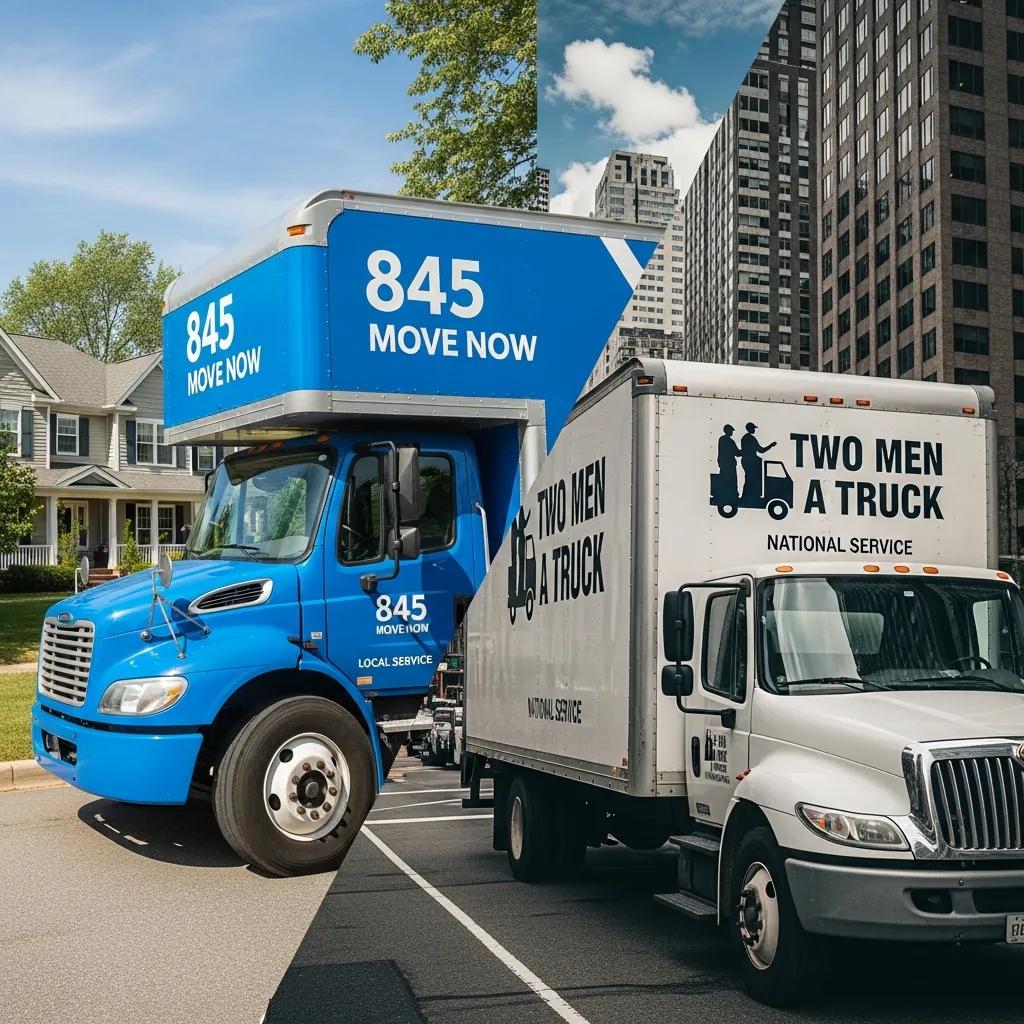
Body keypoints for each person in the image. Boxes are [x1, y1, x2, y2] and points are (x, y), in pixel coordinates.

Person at [740, 423, 776, 504]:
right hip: (750, 461)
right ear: (750, 429)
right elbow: (761, 450)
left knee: (749, 479)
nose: (754, 430)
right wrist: (771, 445)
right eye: (753, 428)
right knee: (751, 479)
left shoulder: (744, 438)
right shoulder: (751, 438)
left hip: (745, 461)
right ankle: (749, 497)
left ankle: (746, 496)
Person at [716, 425, 741, 504]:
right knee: (732, 481)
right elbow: (736, 453)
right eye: (731, 431)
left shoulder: (722, 439)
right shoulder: (729, 441)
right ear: (728, 431)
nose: (732, 432)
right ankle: (732, 496)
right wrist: (745, 451)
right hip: (729, 464)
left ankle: (725, 495)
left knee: (724, 480)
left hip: (723, 464)